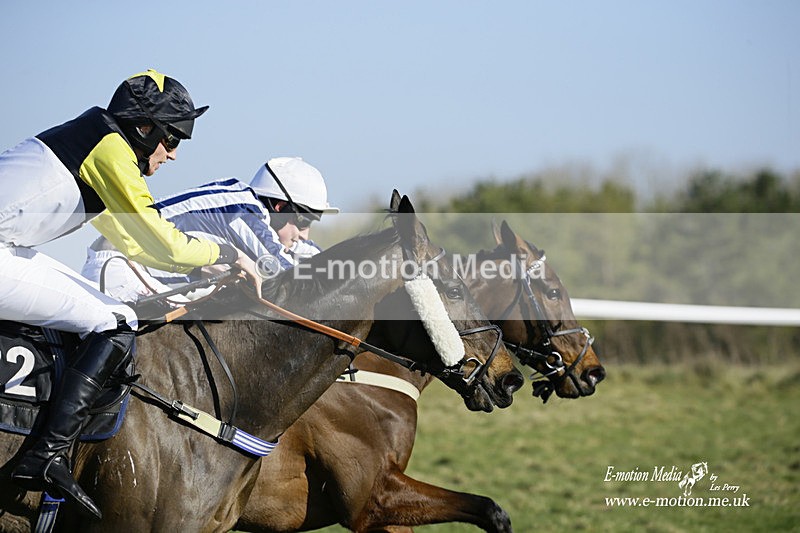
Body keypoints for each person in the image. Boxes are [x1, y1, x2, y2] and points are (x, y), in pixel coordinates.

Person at [0, 69, 260, 518]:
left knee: (116, 313)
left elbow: (132, 240)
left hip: (9, 248)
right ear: (145, 128)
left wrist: (208, 262)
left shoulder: (95, 140)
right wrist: (227, 250)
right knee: (117, 321)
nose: (174, 155)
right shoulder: (111, 150)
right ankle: (46, 455)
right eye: (172, 139)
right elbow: (156, 240)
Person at [81, 156, 338, 304]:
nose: (304, 235)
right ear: (280, 207)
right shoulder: (244, 214)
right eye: (304, 222)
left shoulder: (246, 202)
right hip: (118, 269)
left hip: (132, 268)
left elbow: (309, 254)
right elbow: (289, 277)